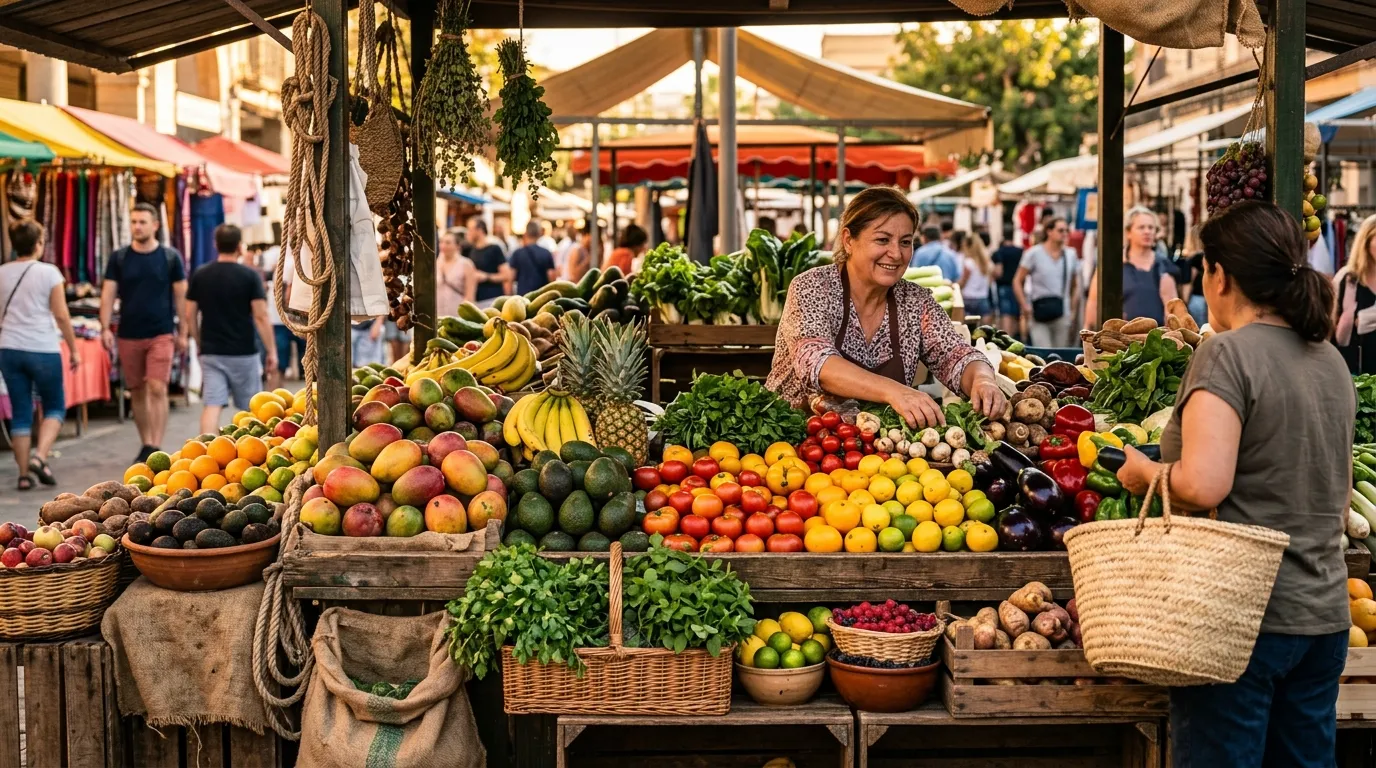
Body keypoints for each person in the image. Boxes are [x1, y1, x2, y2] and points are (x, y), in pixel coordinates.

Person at [1114, 201, 1352, 766]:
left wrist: (1142, 471)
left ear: (1220, 275)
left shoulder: (1226, 354)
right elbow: (1337, 500)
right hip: (1323, 617)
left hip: (1241, 619)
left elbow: (1202, 484)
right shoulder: (1330, 360)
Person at [767, 186, 1006, 427]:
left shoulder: (915, 302)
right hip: (792, 442)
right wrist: (895, 391)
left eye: (905, 242)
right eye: (882, 240)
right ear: (849, 240)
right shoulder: (812, 287)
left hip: (874, 449)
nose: (896, 253)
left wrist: (983, 379)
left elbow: (955, 355)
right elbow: (817, 363)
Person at [100, 202, 186, 463]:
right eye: (134, 222)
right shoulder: (120, 257)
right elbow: (108, 293)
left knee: (157, 387)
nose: (137, 226)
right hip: (129, 333)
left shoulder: (170, 257)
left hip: (161, 332)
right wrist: (104, 327)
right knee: (136, 390)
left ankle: (156, 446)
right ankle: (146, 441)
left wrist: (184, 331)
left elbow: (181, 294)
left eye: (142, 222)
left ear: (155, 225)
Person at [0, 220, 79, 491]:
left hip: (9, 348)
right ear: (38, 244)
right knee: (55, 405)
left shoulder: (2, 273)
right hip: (42, 348)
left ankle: (24, 475)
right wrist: (74, 348)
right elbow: (61, 315)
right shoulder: (49, 273)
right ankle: (40, 456)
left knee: (20, 412)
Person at [181, 224, 276, 436]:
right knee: (252, 408)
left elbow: (189, 314)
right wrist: (271, 351)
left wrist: (198, 341)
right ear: (240, 247)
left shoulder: (201, 274)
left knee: (212, 404)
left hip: (212, 351)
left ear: (216, 245)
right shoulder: (250, 276)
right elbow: (260, 316)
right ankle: (253, 453)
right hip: (243, 351)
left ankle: (204, 450)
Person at [1085, 207, 1179, 329]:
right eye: (1141, 227)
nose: (1147, 232)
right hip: (1118, 338)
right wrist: (1088, 330)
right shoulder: (1112, 264)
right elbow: (1093, 302)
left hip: (1155, 338)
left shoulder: (1163, 265)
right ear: (1128, 232)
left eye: (1151, 228)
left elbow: (1172, 309)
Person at [1013, 217, 1079, 347]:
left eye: (1066, 230)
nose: (1064, 234)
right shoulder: (1034, 253)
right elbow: (1017, 281)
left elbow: (1075, 285)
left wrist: (1072, 310)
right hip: (1039, 311)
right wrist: (1024, 306)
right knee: (1043, 352)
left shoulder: (1070, 255)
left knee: (1060, 356)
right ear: (1049, 231)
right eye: (1060, 230)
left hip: (1062, 312)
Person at [1333, 214, 1376, 374]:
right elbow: (1337, 337)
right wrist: (1349, 316)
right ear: (1365, 241)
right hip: (1355, 371)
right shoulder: (1349, 279)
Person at [466, 218, 510, 307]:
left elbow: (506, 275)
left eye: (470, 229)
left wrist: (486, 276)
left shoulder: (494, 249)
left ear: (480, 230)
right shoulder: (471, 250)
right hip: (476, 300)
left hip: (492, 299)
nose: (468, 232)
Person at [509, 221, 558, 296]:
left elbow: (510, 278)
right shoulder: (546, 253)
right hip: (541, 297)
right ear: (539, 234)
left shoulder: (517, 253)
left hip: (523, 297)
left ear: (526, 234)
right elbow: (551, 278)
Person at [959, 231, 999, 319]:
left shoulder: (969, 262)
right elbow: (992, 278)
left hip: (968, 298)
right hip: (983, 298)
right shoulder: (987, 262)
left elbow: (963, 282)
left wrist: (954, 285)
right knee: (983, 329)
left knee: (969, 329)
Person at [436, 231, 476, 316]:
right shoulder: (435, 264)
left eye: (448, 243)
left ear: (457, 246)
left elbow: (470, 295)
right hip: (438, 314)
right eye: (441, 242)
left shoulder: (466, 264)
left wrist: (464, 315)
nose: (443, 246)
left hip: (457, 314)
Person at [992, 238, 1024, 336]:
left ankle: (1006, 338)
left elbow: (999, 271)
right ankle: (1016, 339)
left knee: (1006, 314)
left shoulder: (998, 252)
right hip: (1018, 287)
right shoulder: (1020, 251)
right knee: (1016, 315)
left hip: (1003, 286)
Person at [1177, 225, 1207, 328]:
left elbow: (1189, 281)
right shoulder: (1207, 256)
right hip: (1206, 297)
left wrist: (1185, 301)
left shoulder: (1194, 259)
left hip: (1196, 299)